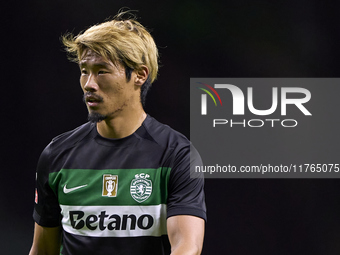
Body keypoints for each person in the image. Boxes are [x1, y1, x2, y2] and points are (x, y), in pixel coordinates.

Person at [29, 10, 206, 255]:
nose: (89, 84)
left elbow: (187, 246)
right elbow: (42, 250)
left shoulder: (176, 155)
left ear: (140, 75)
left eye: (101, 71)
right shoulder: (57, 155)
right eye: (84, 71)